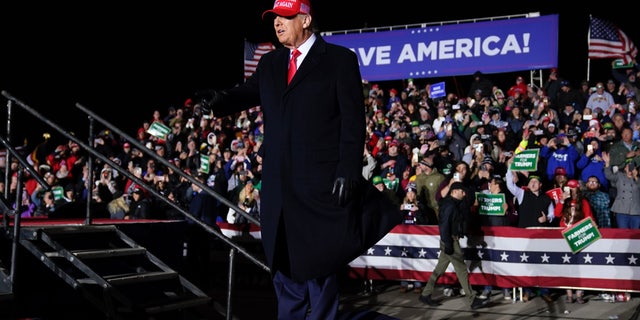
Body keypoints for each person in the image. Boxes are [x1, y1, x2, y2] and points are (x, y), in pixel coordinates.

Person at [201, 1, 402, 318]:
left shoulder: (339, 60)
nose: (277, 24)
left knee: (318, 268)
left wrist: (348, 170)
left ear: (306, 20)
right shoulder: (270, 64)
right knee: (283, 266)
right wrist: (220, 101)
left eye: (285, 17)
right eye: (275, 19)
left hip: (319, 187)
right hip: (279, 189)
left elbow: (353, 121)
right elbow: (247, 92)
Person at [418, 182, 489, 310]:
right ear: (454, 191)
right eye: (462, 191)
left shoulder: (454, 204)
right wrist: (448, 243)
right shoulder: (449, 205)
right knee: (461, 270)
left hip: (450, 239)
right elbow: (444, 226)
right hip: (450, 240)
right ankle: (472, 299)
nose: (464, 194)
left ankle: (425, 294)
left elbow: (458, 221)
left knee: (439, 269)